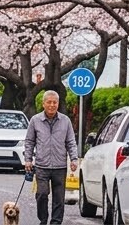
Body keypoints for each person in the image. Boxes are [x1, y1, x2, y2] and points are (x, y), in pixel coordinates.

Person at [23, 90, 79, 225]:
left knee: (59, 199)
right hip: (42, 166)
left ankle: (55, 222)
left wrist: (74, 159)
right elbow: (29, 141)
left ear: (58, 104)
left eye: (55, 102)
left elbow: (70, 142)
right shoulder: (35, 120)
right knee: (42, 194)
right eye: (49, 102)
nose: (52, 105)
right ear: (43, 104)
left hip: (60, 166)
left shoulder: (65, 121)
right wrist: (28, 160)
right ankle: (43, 219)